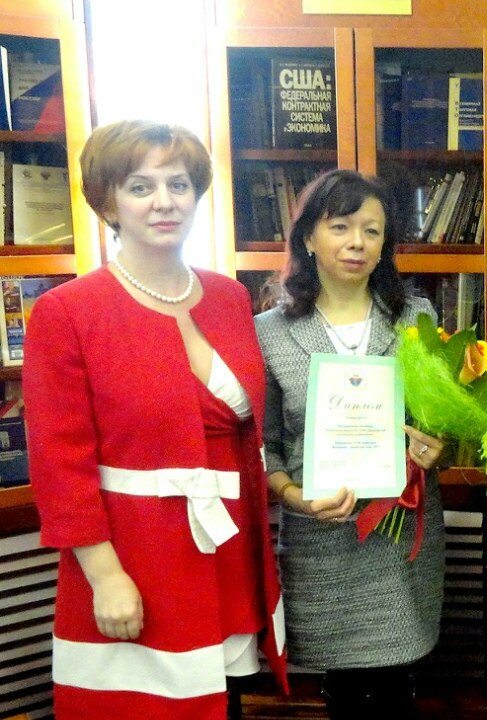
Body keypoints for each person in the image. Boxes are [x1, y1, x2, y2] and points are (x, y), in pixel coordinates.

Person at [23, 120, 288, 720]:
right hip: (134, 555)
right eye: (140, 187)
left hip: (230, 548)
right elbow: (59, 466)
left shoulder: (230, 298)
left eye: (179, 184)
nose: (164, 201)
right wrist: (105, 577)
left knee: (225, 700)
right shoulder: (67, 312)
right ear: (107, 202)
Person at [254, 169, 445, 719]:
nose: (357, 242)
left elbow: (441, 424)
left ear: (386, 244)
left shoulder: (416, 318)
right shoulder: (268, 332)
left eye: (372, 230)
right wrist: (294, 497)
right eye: (340, 227)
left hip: (398, 539)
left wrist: (438, 447)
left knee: (397, 689)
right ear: (308, 238)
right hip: (320, 539)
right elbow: (265, 447)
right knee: (342, 693)